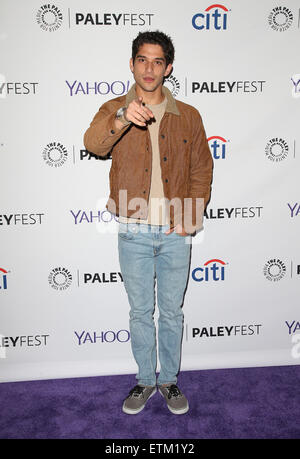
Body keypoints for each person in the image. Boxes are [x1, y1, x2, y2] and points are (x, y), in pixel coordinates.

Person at [84, 30, 213, 415]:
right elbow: (93, 143)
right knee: (141, 312)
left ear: (168, 67)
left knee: (171, 312)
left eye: (158, 61)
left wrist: (191, 216)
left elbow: (201, 169)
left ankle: (169, 381)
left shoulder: (187, 115)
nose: (150, 68)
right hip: (133, 228)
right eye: (143, 59)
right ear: (132, 64)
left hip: (176, 230)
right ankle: (144, 380)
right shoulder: (113, 108)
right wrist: (123, 117)